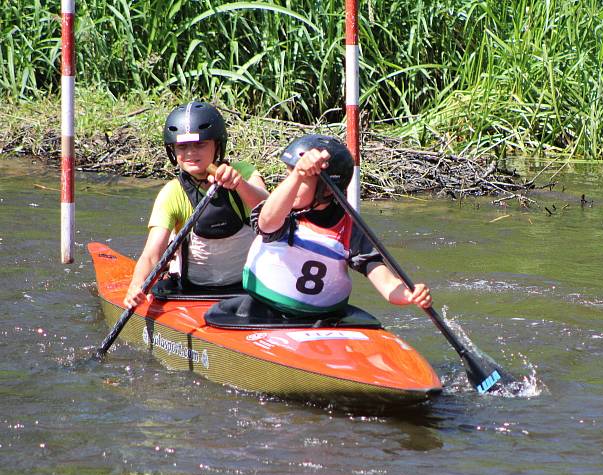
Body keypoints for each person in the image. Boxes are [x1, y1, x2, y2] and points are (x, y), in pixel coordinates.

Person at [242, 134, 432, 316]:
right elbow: (266, 222)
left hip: (326, 317)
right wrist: (299, 174)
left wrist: (408, 295)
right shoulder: (283, 212)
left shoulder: (350, 227)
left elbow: (385, 281)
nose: (290, 184)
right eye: (288, 176)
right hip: (265, 309)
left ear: (325, 190)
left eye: (301, 180)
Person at [124, 101, 267, 308]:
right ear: (173, 151)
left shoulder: (243, 173)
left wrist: (239, 185)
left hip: (246, 290)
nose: (191, 152)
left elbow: (272, 213)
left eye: (200, 144)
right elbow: (153, 253)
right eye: (182, 146)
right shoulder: (172, 193)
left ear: (217, 145)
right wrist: (137, 286)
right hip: (192, 292)